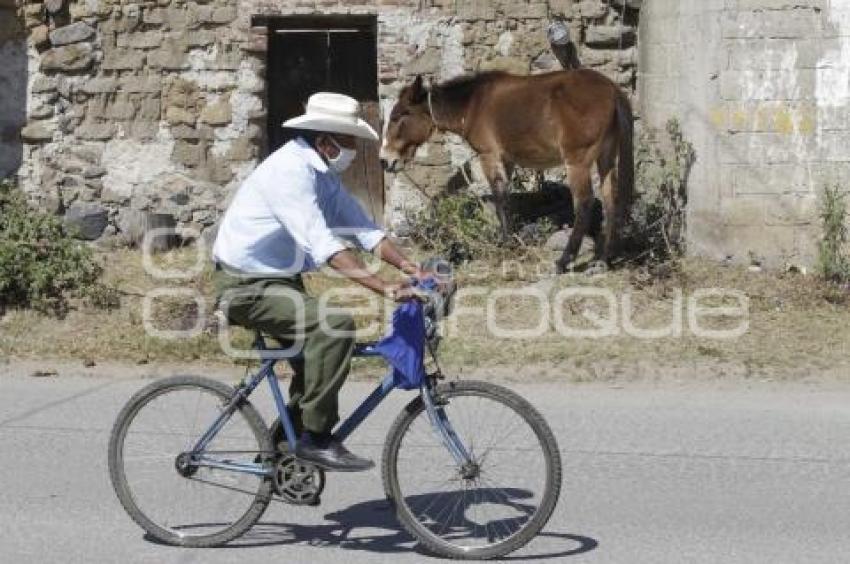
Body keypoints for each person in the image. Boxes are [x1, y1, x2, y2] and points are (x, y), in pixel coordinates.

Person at [212, 92, 423, 472]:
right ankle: (316, 439)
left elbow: (364, 230)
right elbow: (325, 245)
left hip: (279, 282)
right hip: (246, 287)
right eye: (349, 143)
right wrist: (385, 287)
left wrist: (412, 269)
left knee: (315, 364)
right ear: (325, 142)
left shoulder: (323, 175)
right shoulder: (290, 173)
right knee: (334, 326)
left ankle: (282, 454)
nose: (354, 152)